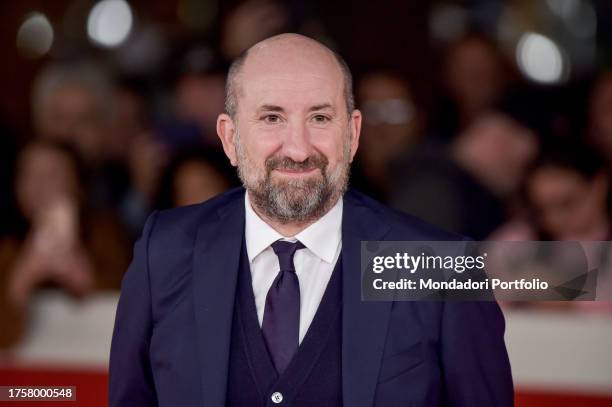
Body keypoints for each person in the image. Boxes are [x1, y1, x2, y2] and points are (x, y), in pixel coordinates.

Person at [109, 33, 513, 406]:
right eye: (272, 118)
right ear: (230, 138)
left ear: (352, 134)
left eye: (320, 118)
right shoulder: (164, 251)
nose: (299, 150)